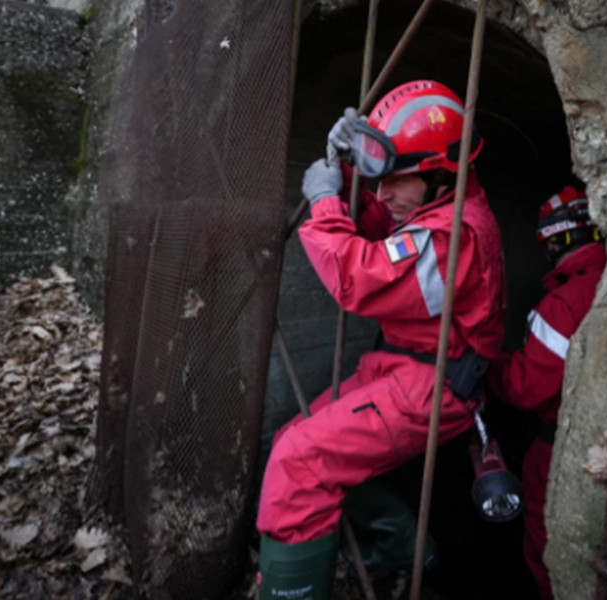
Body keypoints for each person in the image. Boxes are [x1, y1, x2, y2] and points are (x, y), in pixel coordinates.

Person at [255, 80, 505, 599]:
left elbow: (361, 277)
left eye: (396, 179)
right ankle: (400, 543)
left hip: (435, 385)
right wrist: (349, 172)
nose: (383, 192)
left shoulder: (452, 235)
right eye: (380, 178)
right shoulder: (436, 209)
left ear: (442, 174)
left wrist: (325, 202)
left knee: (299, 462)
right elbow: (381, 227)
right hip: (404, 366)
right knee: (288, 442)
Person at [489, 182, 607, 600]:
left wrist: (489, 366)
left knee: (548, 551)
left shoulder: (563, 303)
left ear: (554, 241)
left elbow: (526, 388)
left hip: (560, 449)